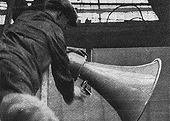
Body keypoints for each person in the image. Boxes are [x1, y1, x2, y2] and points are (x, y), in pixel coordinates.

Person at [0, 0, 87, 121]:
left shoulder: (26, 16)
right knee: (27, 113)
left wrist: (62, 48)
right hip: (17, 74)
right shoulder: (55, 31)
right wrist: (70, 92)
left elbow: (30, 37)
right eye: (66, 22)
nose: (65, 28)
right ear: (59, 15)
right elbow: (61, 70)